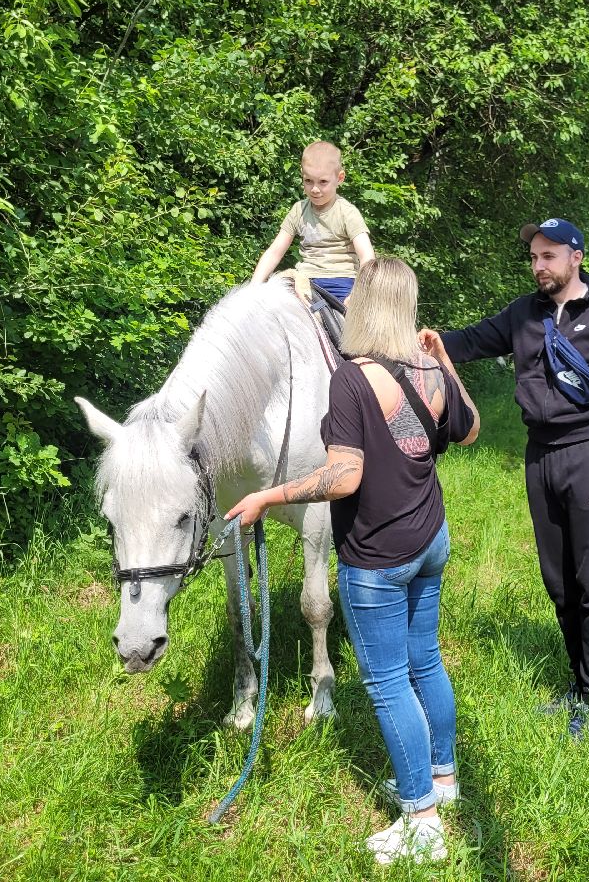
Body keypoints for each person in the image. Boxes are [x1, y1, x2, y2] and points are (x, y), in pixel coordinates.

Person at [226, 257, 480, 864]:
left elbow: (344, 477)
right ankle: (443, 779)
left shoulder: (351, 378)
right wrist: (445, 359)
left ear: (362, 304)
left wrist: (267, 497)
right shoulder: (428, 368)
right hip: (431, 538)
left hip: (378, 556)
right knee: (426, 661)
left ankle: (421, 821)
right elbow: (469, 430)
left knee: (388, 683)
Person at [422, 218, 589, 740]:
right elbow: (469, 341)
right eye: (533, 257)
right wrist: (427, 343)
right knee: (559, 582)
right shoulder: (524, 314)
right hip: (540, 456)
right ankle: (578, 682)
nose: (538, 266)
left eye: (548, 256)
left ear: (576, 257)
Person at [249, 140, 375, 302]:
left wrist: (358, 293)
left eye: (323, 182)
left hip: (341, 281)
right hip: (304, 280)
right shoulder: (298, 210)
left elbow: (367, 257)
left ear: (340, 178)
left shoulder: (347, 212)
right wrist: (252, 289)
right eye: (308, 181)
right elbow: (274, 252)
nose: (315, 189)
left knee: (349, 316)